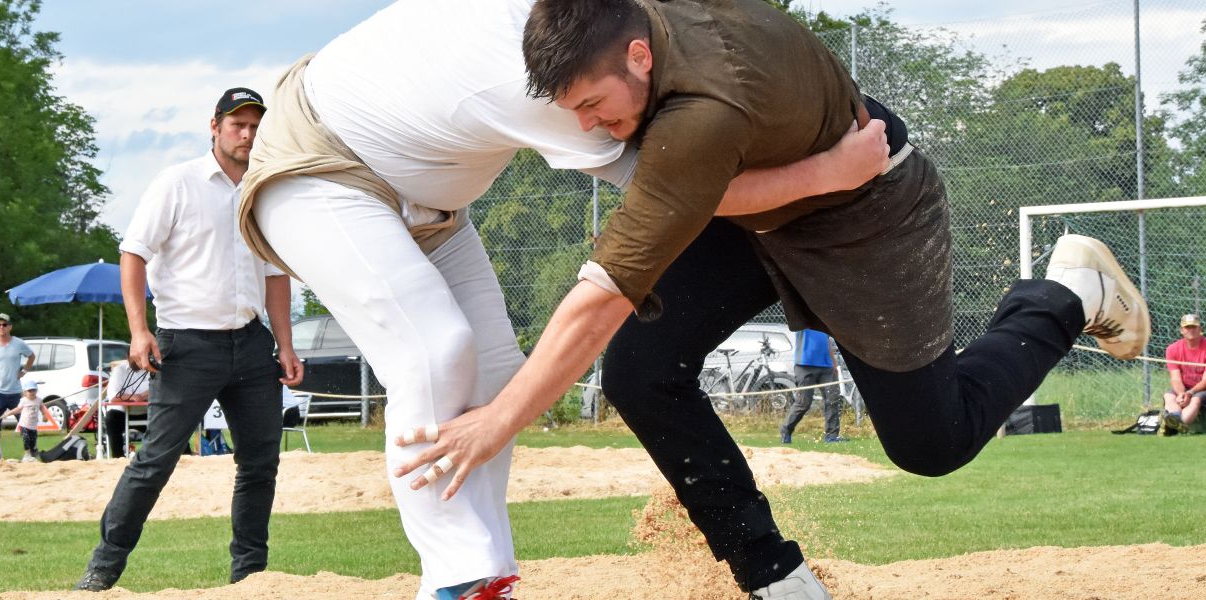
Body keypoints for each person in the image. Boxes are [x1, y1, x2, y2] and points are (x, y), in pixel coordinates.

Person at [390, 2, 1153, 598]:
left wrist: (499, 420)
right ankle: (776, 580)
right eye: (574, 110)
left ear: (639, 54)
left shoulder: (701, 111)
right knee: (640, 374)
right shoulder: (633, 35)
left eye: (594, 103)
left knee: (932, 443)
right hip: (777, 196)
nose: (588, 128)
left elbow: (602, 299)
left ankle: (1067, 292)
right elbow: (715, 189)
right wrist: (818, 170)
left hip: (867, 210)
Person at [237, 1, 889, 597]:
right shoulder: (547, 79)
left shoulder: (580, 32)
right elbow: (692, 191)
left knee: (495, 370)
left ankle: (487, 575)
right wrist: (829, 173)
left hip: (431, 200)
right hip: (317, 173)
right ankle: (456, 579)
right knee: (435, 351)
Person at [74, 87, 303, 593]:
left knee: (260, 463)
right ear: (215, 126)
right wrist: (139, 330)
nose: (247, 134)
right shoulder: (176, 183)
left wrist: (284, 345)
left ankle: (251, 577)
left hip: (251, 343)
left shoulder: (263, 190)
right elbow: (133, 255)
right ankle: (103, 568)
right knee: (156, 460)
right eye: (237, 124)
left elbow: (275, 275)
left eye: (254, 126)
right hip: (186, 345)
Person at [1159, 314, 1206, 435]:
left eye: (1194, 327)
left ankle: (1177, 425)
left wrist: (1190, 393)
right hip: (1184, 387)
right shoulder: (1172, 349)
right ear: (1182, 330)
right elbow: (1175, 378)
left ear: (1200, 329)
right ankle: (1175, 420)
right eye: (1187, 327)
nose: (1191, 330)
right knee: (1169, 396)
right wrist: (1182, 393)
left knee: (1196, 400)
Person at [779, 330, 843, 444]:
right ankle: (786, 429)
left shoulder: (823, 320)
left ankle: (832, 436)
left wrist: (833, 363)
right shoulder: (802, 318)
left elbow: (827, 341)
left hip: (827, 367)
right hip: (804, 365)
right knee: (804, 402)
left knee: (832, 400)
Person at [0, 379, 44, 462]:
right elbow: (17, 409)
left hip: (33, 426)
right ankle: (26, 454)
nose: (32, 392)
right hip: (24, 424)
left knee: (33, 440)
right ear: (25, 392)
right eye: (30, 391)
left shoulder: (39, 400)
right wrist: (8, 413)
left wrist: (44, 415)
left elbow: (42, 407)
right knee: (26, 438)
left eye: (34, 390)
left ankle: (32, 453)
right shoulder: (24, 400)